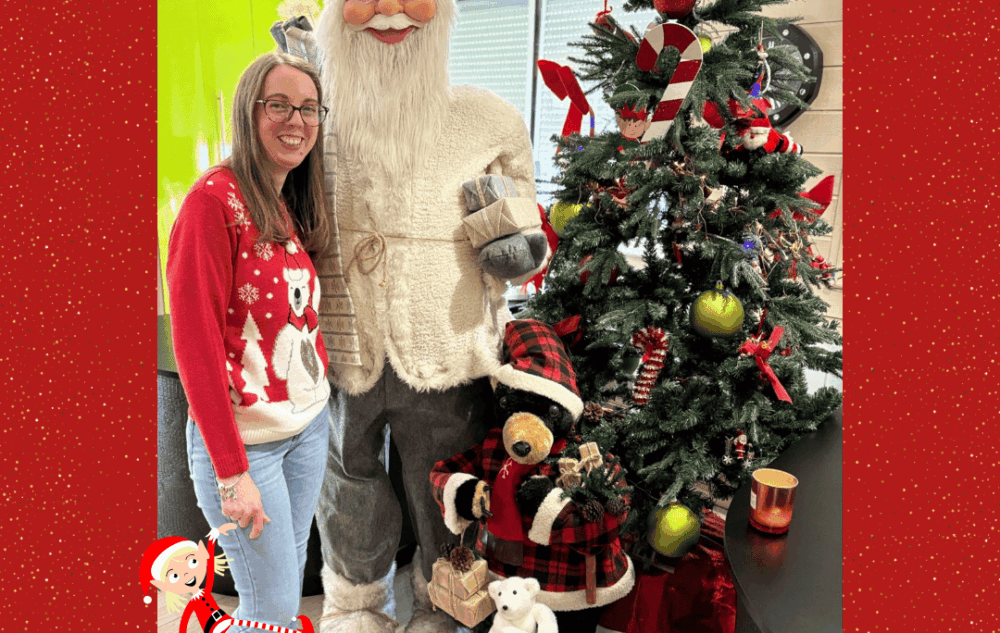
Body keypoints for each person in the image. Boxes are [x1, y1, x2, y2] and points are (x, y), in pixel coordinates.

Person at [273, 2, 549, 631]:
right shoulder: (314, 120)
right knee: (347, 482)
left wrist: (513, 242)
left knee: (445, 482)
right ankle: (356, 604)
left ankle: (443, 601)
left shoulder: (486, 120)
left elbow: (518, 238)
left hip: (445, 336)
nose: (391, 10)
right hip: (339, 336)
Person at [165, 52, 333, 632]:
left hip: (306, 431)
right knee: (272, 608)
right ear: (248, 112)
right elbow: (196, 350)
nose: (297, 121)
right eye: (279, 105)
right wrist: (232, 472)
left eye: (309, 108)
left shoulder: (284, 201)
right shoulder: (211, 204)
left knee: (281, 594)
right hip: (248, 449)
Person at [140, 524, 316, 633]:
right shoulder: (196, 599)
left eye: (192, 561)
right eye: (175, 575)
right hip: (217, 628)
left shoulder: (205, 589)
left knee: (256, 623)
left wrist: (214, 537)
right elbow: (186, 619)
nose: (186, 574)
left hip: (227, 621)